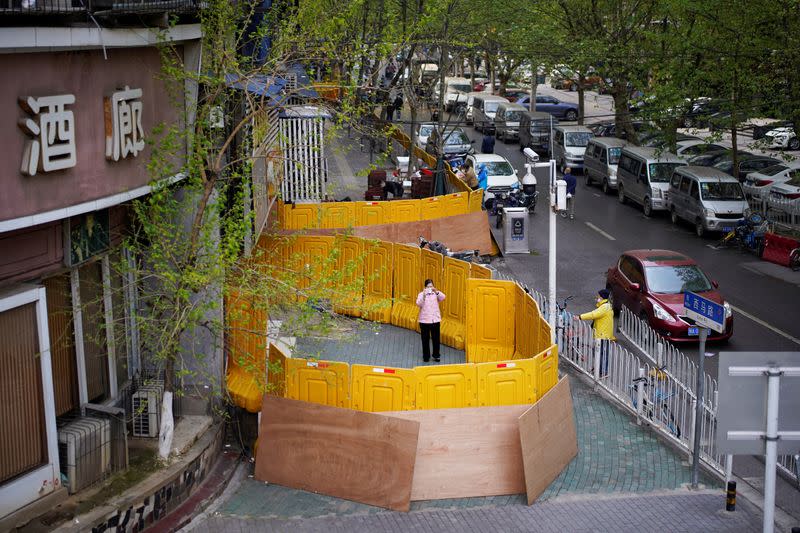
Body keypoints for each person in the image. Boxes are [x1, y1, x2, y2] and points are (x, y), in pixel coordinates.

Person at [574, 289, 615, 377]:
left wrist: (580, 317)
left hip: (603, 335)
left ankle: (602, 371)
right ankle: (599, 368)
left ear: (602, 297)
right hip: (603, 334)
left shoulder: (604, 307)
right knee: (599, 352)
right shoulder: (605, 306)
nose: (597, 298)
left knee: (601, 353)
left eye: (598, 296)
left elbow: (593, 314)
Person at [416, 279, 445, 362]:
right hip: (424, 321)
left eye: (431, 286)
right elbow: (418, 303)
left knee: (436, 339)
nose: (430, 288)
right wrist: (424, 295)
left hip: (435, 320)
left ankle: (436, 355)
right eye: (428, 286)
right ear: (425, 287)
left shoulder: (435, 294)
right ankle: (426, 356)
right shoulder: (421, 294)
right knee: (425, 340)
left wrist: (436, 291)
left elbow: (443, 297)